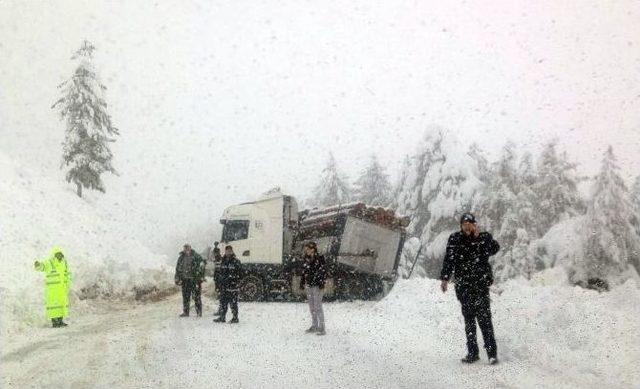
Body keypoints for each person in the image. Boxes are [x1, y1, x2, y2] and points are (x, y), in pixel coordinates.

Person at [440, 212, 500, 365]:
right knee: (469, 320)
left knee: (485, 319)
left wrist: (482, 238)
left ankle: (492, 354)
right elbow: (449, 259)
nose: (467, 228)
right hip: (463, 286)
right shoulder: (455, 239)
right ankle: (473, 353)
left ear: (475, 225)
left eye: (470, 225)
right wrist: (445, 278)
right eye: (464, 225)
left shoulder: (483, 238)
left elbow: (495, 248)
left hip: (480, 285)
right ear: (461, 226)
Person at [34, 246, 72, 328]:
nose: (59, 256)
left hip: (62, 289)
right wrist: (38, 265)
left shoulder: (64, 263)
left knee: (61, 306)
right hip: (53, 290)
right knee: (54, 306)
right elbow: (42, 267)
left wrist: (68, 283)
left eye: (60, 254)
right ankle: (55, 322)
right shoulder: (50, 263)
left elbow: (68, 273)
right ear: (54, 255)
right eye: (57, 254)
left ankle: (60, 321)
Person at [300, 241, 327, 335]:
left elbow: (323, 272)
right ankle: (315, 325)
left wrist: (321, 283)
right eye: (305, 249)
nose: (306, 251)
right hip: (309, 285)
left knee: (318, 306)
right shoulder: (306, 259)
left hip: (317, 286)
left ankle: (322, 328)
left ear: (312, 249)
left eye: (307, 249)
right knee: (312, 307)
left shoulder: (320, 258)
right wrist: (302, 282)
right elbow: (304, 271)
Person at [213, 245, 243, 324]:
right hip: (224, 286)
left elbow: (241, 274)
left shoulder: (236, 261)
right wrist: (218, 283)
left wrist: (235, 281)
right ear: (225, 252)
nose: (228, 252)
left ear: (232, 251)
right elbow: (218, 273)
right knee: (223, 302)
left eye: (230, 251)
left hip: (233, 286)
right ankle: (222, 317)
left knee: (233, 303)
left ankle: (235, 318)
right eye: (227, 251)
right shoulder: (223, 261)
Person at [174, 243, 206, 317]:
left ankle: (199, 312)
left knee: (196, 297)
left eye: (187, 248)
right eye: (185, 249)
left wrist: (200, 276)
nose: (186, 250)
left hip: (195, 280)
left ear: (190, 248)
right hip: (185, 280)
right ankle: (186, 312)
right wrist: (177, 278)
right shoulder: (181, 258)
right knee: (185, 297)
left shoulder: (196, 256)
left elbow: (202, 266)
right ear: (183, 249)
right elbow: (178, 269)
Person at [212, 241, 224, 317]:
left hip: (220, 280)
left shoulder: (219, 259)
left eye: (214, 253)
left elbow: (218, 271)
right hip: (219, 279)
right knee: (220, 296)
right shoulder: (218, 259)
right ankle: (221, 310)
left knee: (221, 296)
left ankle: (221, 310)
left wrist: (217, 280)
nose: (214, 254)